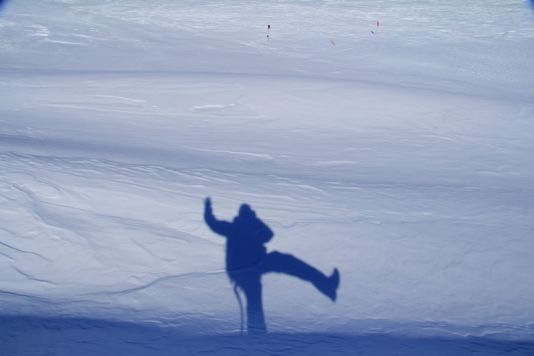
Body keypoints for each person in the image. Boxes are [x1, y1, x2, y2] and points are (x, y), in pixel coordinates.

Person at [204, 197, 340, 334]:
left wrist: (207, 208)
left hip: (242, 269)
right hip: (253, 265)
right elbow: (268, 235)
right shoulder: (246, 226)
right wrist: (255, 223)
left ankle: (257, 333)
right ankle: (326, 284)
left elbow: (212, 223)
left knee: (257, 296)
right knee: (288, 263)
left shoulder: (231, 227)